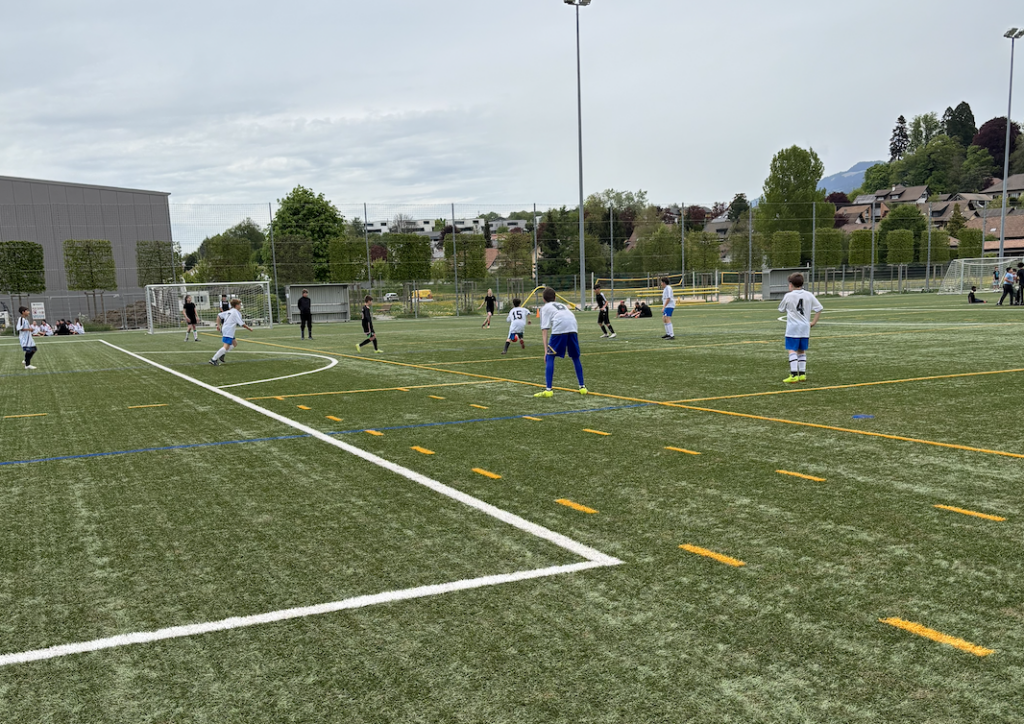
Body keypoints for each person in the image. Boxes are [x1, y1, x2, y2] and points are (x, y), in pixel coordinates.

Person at [534, 287, 587, 398]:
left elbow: (544, 330)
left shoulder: (545, 308)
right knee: (575, 357)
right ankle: (582, 387)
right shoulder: (562, 305)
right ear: (555, 298)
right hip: (573, 326)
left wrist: (545, 351)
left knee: (550, 357)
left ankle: (548, 390)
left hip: (560, 327)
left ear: (543, 299)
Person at [778, 272, 823, 383]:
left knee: (792, 349)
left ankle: (793, 375)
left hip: (793, 327)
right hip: (805, 327)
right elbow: (819, 308)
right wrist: (813, 322)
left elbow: (781, 309)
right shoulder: (809, 295)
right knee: (801, 350)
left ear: (791, 285)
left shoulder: (788, 295)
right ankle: (802, 374)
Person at [209, 298, 251, 366]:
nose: (240, 306)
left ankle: (222, 354)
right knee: (226, 346)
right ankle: (213, 359)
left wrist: (218, 325)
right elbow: (242, 324)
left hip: (226, 329)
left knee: (234, 343)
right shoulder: (235, 312)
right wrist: (249, 328)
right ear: (236, 305)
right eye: (239, 304)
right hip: (228, 330)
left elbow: (219, 315)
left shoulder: (230, 311)